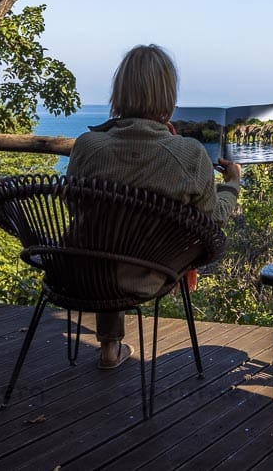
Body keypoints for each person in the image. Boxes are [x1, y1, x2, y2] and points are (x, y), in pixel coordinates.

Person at [67, 44, 242, 369]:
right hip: (152, 273)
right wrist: (232, 182)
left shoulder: (87, 147)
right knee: (124, 243)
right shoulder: (189, 154)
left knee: (106, 235)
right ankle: (112, 345)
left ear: (119, 91)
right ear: (168, 96)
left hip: (82, 271)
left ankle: (109, 347)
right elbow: (213, 216)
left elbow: (77, 209)